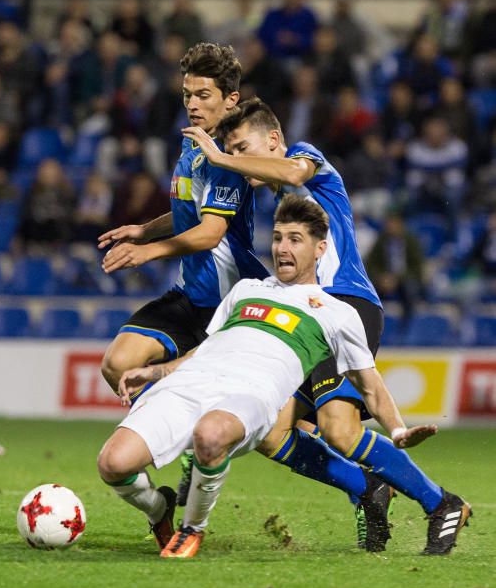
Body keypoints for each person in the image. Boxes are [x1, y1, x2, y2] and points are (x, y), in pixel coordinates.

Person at [98, 195, 470, 558]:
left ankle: (440, 502)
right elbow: (204, 350)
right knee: (120, 462)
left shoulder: (334, 310)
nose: (282, 248)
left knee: (330, 430)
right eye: (277, 238)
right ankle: (366, 486)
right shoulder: (246, 289)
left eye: (295, 239)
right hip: (201, 381)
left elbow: (370, 385)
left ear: (320, 248)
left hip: (269, 377)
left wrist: (398, 429)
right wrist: (156, 371)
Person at [181, 98, 456, 552]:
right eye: (232, 148)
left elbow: (290, 173)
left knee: (337, 427)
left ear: (274, 140)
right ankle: (368, 488)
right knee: (271, 433)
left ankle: (440, 503)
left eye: (244, 146)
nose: (239, 158)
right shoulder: (276, 198)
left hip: (346, 306)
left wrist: (218, 155)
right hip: (305, 317)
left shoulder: (307, 160)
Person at [98, 43, 269, 398]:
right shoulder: (193, 144)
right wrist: (145, 230)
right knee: (118, 363)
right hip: (191, 295)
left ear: (231, 99)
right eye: (187, 94)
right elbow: (188, 214)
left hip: (231, 301)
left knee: (271, 427)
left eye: (204, 95)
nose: (192, 104)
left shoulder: (228, 157)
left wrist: (149, 251)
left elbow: (210, 232)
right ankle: (169, 435)